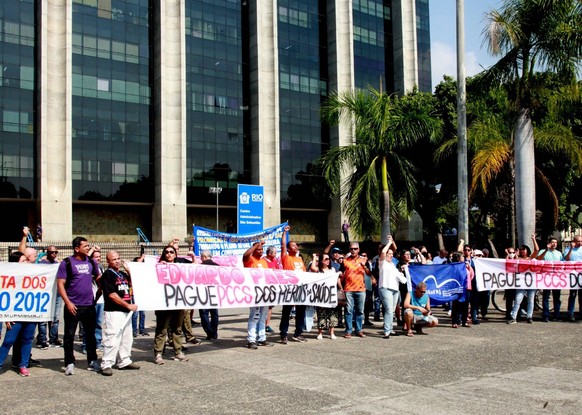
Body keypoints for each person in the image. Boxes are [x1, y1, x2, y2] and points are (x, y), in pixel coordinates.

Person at [57, 236, 101, 375]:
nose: (88, 248)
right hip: (73, 305)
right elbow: (60, 284)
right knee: (69, 335)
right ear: (77, 248)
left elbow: (98, 278)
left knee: (90, 335)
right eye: (85, 246)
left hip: (89, 305)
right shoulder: (67, 263)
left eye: (88, 245)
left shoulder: (91, 262)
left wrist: (101, 290)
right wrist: (68, 302)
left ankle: (92, 360)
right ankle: (69, 362)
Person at [100, 251, 140, 376]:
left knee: (127, 338)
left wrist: (129, 271)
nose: (117, 261)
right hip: (114, 311)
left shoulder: (122, 274)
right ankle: (107, 363)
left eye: (118, 259)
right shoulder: (107, 275)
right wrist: (127, 305)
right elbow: (112, 295)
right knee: (113, 338)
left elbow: (135, 283)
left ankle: (124, 360)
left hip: (126, 312)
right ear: (108, 261)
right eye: (114, 259)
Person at [153, 245, 189, 364]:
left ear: (175, 254)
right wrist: (160, 268)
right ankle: (158, 353)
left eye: (171, 252)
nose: (169, 254)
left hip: (177, 302)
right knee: (162, 329)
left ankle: (178, 352)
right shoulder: (158, 267)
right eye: (166, 252)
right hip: (164, 303)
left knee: (177, 329)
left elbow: (194, 271)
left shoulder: (180, 267)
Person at [279, 225, 308, 343]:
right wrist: (284, 233)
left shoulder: (300, 259)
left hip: (301, 289)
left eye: (296, 245)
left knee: (301, 311)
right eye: (293, 245)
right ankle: (284, 334)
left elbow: (305, 273)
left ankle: (298, 333)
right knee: (286, 312)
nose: (296, 247)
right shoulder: (286, 257)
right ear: (288, 248)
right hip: (289, 289)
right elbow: (282, 245)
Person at [243, 241, 274, 349]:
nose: (260, 251)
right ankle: (251, 340)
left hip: (264, 293)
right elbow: (245, 255)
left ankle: (262, 338)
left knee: (263, 317)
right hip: (254, 293)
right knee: (254, 317)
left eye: (261, 249)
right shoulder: (249, 260)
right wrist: (256, 244)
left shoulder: (264, 261)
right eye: (258, 249)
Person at [378, 236, 406, 339]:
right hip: (385, 288)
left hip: (395, 289)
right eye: (389, 254)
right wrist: (389, 243)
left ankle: (390, 329)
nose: (390, 255)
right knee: (389, 309)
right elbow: (383, 252)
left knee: (392, 310)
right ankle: (386, 331)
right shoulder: (382, 263)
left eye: (392, 254)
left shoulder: (393, 265)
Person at [340, 242, 370, 338]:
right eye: (351, 249)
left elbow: (369, 273)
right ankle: (348, 330)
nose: (353, 250)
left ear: (359, 250)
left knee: (360, 311)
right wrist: (340, 275)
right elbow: (340, 272)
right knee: (349, 311)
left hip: (360, 289)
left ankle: (359, 330)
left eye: (355, 249)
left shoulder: (364, 260)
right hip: (348, 289)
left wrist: (364, 266)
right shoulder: (345, 261)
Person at [507, 237, 539, 325]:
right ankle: (513, 317)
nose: (522, 251)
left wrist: (533, 239)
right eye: (520, 250)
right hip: (521, 283)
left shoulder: (530, 259)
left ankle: (529, 317)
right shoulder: (518, 260)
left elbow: (536, 250)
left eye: (523, 249)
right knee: (518, 300)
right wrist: (515, 255)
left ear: (527, 250)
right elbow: (510, 263)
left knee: (531, 300)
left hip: (531, 282)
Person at [312, 252, 341, 340]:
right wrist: (314, 257)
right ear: (321, 261)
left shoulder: (332, 269)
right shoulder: (319, 271)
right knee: (321, 314)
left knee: (332, 314)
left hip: (331, 295)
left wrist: (341, 288)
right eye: (325, 259)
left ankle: (332, 332)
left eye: (329, 259)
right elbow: (313, 268)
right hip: (321, 296)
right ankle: (320, 332)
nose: (328, 261)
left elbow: (337, 279)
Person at [40, 245, 63, 347]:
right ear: (47, 253)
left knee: (55, 317)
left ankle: (53, 338)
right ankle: (42, 339)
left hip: (57, 293)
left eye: (55, 252)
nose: (54, 254)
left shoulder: (58, 264)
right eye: (51, 252)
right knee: (44, 318)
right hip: (45, 293)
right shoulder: (42, 264)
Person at [537, 237, 564, 322]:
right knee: (546, 297)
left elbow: (563, 264)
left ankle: (557, 315)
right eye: (552, 242)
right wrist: (546, 250)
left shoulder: (559, 253)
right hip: (546, 278)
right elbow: (539, 259)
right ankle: (545, 315)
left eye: (555, 242)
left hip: (557, 278)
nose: (554, 244)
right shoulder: (542, 251)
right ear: (549, 243)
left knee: (557, 297)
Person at [198, 250, 220, 340]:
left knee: (204, 313)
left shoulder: (200, 267)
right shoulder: (218, 267)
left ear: (205, 257)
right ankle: (214, 332)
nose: (201, 258)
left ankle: (209, 332)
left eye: (201, 257)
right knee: (214, 314)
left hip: (203, 293)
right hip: (214, 292)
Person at [263, 245, 281, 333]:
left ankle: (267, 324)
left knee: (270, 307)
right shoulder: (263, 261)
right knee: (263, 306)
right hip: (264, 286)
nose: (276, 254)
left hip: (272, 287)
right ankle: (261, 324)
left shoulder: (275, 261)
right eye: (274, 253)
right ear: (270, 253)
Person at [565, 235, 582, 322]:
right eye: (578, 241)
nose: (580, 243)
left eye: (581, 241)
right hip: (573, 276)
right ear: (574, 241)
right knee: (573, 295)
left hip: (581, 276)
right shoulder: (568, 249)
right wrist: (571, 249)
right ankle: (570, 313)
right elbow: (567, 259)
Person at [131, 254, 148, 337]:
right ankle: (134, 330)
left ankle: (142, 329)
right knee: (135, 314)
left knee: (143, 313)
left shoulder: (144, 273)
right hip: (135, 294)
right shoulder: (133, 272)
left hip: (142, 293)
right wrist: (141, 259)